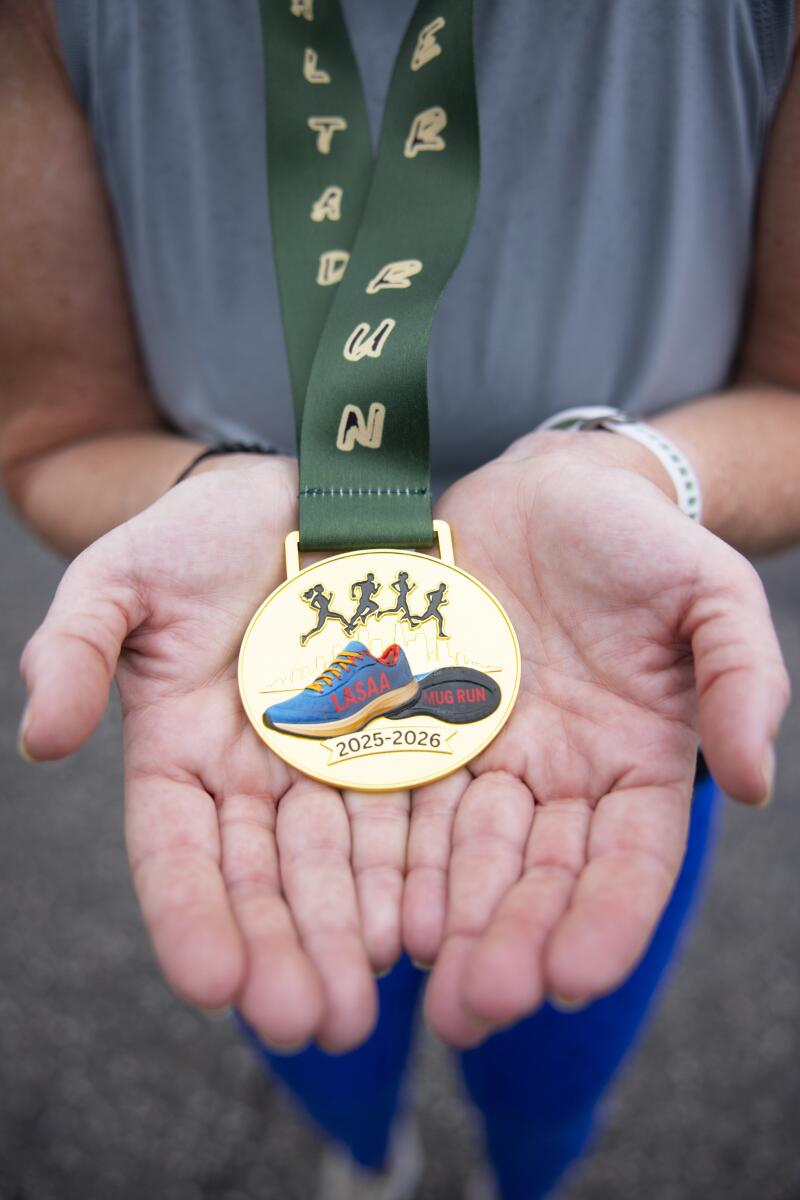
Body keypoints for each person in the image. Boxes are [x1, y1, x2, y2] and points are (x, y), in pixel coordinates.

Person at [1, 2, 796, 1198]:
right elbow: (51, 427)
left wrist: (634, 473)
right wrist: (206, 488)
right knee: (313, 1021)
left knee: (557, 1038)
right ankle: (365, 1158)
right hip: (247, 726)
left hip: (607, 702)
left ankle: (524, 1178)